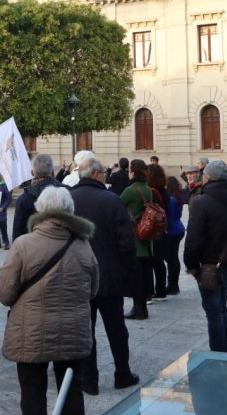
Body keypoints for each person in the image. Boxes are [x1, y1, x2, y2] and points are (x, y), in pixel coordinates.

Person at [0, 186, 99, 415]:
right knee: (71, 391)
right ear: (70, 211)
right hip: (72, 331)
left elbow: (5, 294)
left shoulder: (23, 244)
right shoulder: (83, 245)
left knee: (32, 392)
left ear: (40, 210)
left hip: (31, 333)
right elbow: (92, 290)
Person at [69, 156, 139, 396]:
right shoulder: (111, 200)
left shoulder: (69, 199)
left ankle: (89, 381)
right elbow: (126, 242)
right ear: (98, 175)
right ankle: (122, 374)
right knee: (116, 328)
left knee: (85, 332)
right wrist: (129, 271)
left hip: (79, 277)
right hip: (109, 276)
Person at [184, 160, 227, 352]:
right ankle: (223, 347)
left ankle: (219, 352)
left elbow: (193, 239)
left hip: (208, 264)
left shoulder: (202, 202)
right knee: (221, 306)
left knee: (214, 311)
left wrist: (191, 264)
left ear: (207, 177)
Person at [120, 159, 154, 320]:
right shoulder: (148, 189)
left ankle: (138, 309)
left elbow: (117, 205)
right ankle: (142, 308)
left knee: (136, 276)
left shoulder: (130, 190)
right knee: (144, 273)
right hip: (147, 237)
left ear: (133, 172)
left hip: (135, 237)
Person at [12, 154, 63, 241]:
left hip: (33, 249)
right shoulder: (69, 192)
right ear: (53, 171)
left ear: (32, 173)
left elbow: (18, 235)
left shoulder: (24, 200)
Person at [147, 163, 170, 299]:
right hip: (162, 229)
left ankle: (150, 291)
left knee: (150, 261)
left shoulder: (151, 191)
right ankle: (161, 290)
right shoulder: (164, 190)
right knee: (159, 261)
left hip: (153, 229)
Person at [163, 176, 186, 296]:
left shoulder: (171, 199)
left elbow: (169, 218)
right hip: (178, 228)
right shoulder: (178, 197)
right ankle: (173, 284)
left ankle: (173, 285)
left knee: (171, 259)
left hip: (172, 231)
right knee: (173, 258)